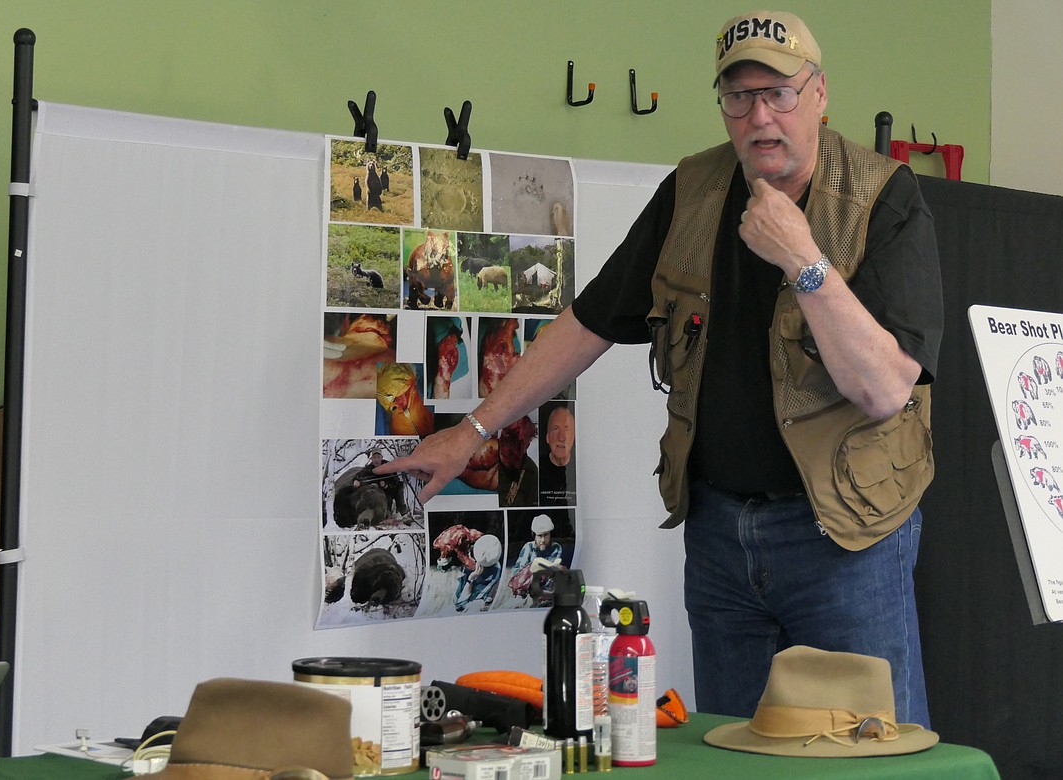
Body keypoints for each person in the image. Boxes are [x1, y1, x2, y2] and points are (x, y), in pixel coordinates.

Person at [378, 9, 942, 727]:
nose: (760, 117)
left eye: (780, 93)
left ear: (821, 94)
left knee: (875, 758)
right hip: (719, 537)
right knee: (734, 750)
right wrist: (472, 431)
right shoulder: (691, 192)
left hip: (846, 539)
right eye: (739, 98)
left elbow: (887, 388)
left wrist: (802, 259)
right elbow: (586, 323)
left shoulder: (885, 198)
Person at [508, 514, 565, 606]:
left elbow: (551, 574)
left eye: (546, 535)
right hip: (524, 591)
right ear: (534, 536)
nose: (543, 540)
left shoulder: (556, 548)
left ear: (550, 534)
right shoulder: (528, 547)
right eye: (539, 536)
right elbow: (519, 573)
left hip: (545, 591)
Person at [353, 449, 408, 517]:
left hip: (392, 489)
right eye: (374, 457)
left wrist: (386, 485)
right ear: (371, 459)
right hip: (381, 494)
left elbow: (396, 483)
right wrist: (356, 480)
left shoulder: (388, 466)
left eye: (378, 457)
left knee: (398, 492)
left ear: (382, 457)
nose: (376, 460)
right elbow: (358, 476)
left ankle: (403, 512)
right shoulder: (368, 469)